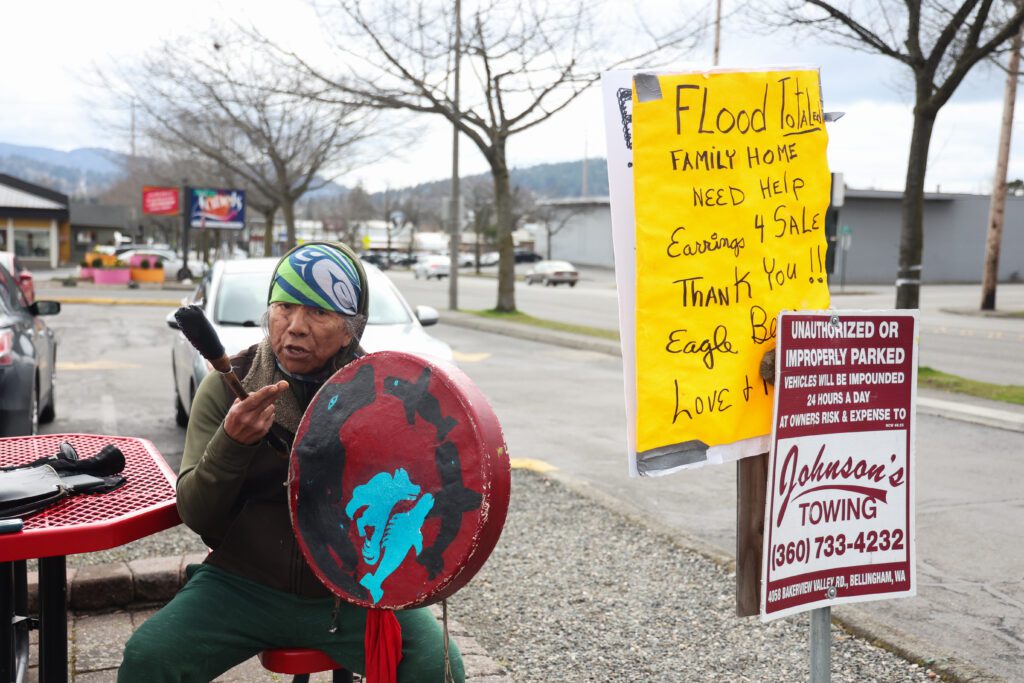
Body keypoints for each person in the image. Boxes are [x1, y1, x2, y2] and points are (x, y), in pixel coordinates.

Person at [120, 242, 464, 682]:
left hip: (353, 590)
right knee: (150, 659)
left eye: (318, 312)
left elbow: (423, 494)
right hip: (243, 582)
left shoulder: (382, 396)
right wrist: (233, 442)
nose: (295, 327)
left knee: (440, 666)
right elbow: (194, 511)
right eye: (284, 307)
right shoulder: (226, 387)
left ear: (350, 330)